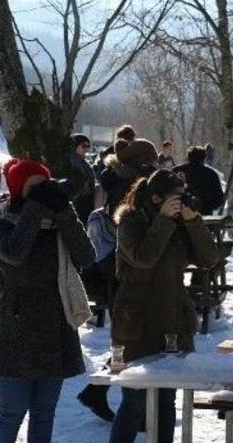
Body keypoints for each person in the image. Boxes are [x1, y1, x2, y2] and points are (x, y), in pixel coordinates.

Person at [105, 169, 219, 443]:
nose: (181, 202)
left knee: (167, 398)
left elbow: (208, 259)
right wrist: (164, 220)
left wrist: (193, 222)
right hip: (136, 321)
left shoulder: (179, 222)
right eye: (176, 196)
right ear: (156, 198)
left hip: (171, 317)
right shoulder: (130, 221)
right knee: (134, 400)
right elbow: (143, 257)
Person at [0, 157, 95, 443]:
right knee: (11, 412)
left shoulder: (58, 223)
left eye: (47, 184)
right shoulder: (0, 224)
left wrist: (64, 210)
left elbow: (87, 256)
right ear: (19, 190)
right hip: (15, 333)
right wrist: (35, 207)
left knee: (44, 414)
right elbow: (15, 254)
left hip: (55, 330)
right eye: (35, 186)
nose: (44, 191)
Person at [76, 137, 158, 422]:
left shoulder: (113, 178)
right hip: (123, 268)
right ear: (141, 164)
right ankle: (111, 397)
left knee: (130, 337)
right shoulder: (131, 186)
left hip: (111, 266)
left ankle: (97, 391)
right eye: (151, 163)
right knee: (132, 337)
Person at [173, 145, 225, 215]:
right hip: (204, 217)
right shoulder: (211, 174)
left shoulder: (177, 171)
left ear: (188, 157)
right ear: (204, 158)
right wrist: (207, 206)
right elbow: (219, 199)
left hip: (178, 215)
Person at [68, 133, 96, 223]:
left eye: (88, 146)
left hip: (83, 200)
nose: (87, 149)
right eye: (84, 146)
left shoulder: (81, 160)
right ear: (75, 145)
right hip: (79, 201)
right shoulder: (73, 160)